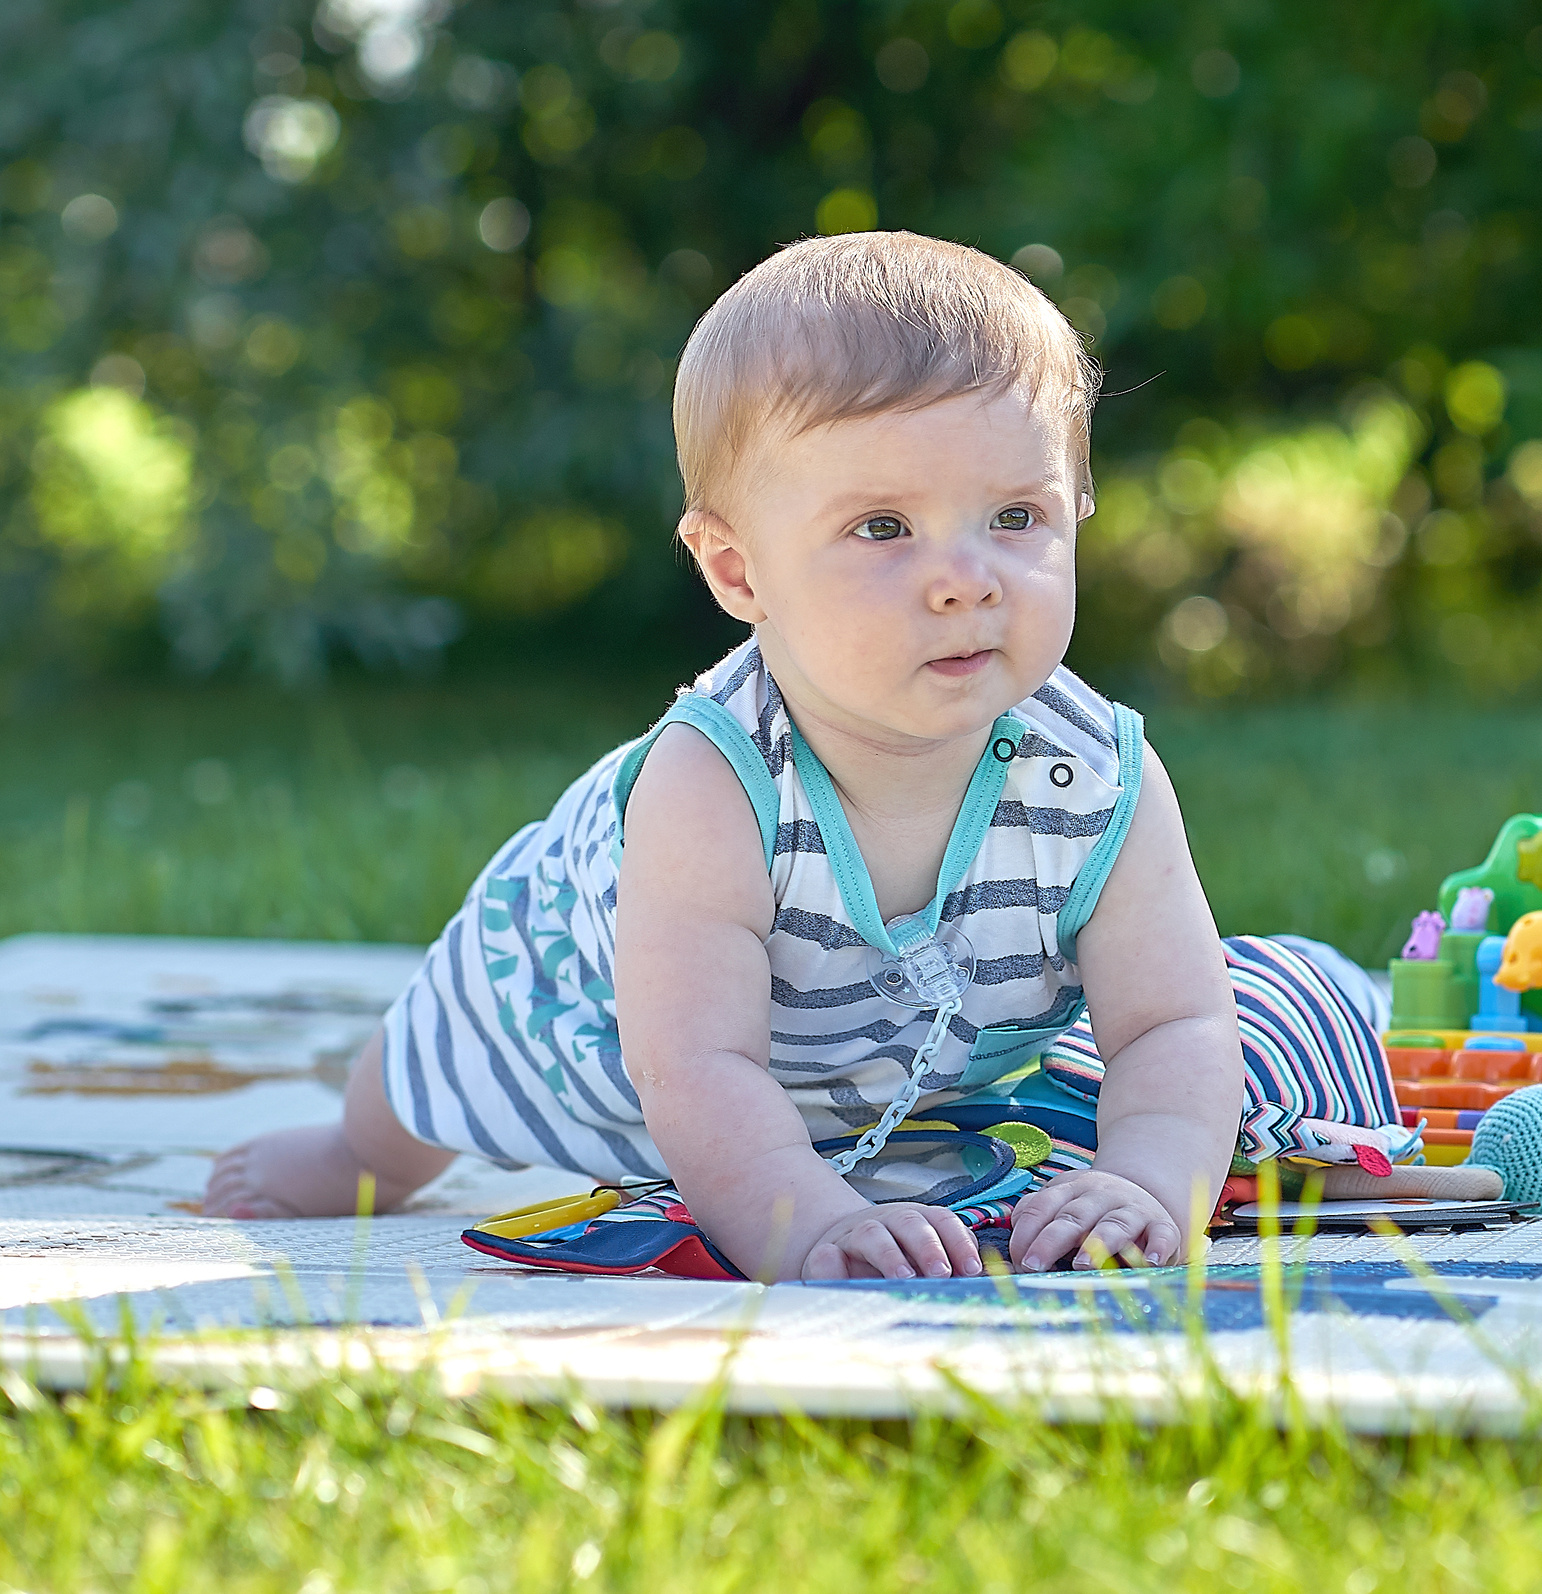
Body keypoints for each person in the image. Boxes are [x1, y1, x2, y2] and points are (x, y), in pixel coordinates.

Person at [205, 232, 1411, 1280]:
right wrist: (811, 1223)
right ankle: (355, 1150)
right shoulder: (712, 785)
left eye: (1016, 517)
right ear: (739, 571)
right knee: (434, 1065)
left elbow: (1172, 1024)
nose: (965, 577)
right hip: (603, 1018)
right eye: (883, 527)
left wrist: (1147, 1180)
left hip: (904, 1059)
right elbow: (697, 1066)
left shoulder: (1097, 779)